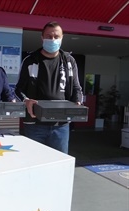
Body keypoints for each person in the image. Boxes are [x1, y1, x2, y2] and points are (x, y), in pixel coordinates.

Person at [15, 21, 83, 155]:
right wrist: (26, 100)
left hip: (61, 125)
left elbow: (77, 87)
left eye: (56, 37)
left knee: (59, 164)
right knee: (33, 162)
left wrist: (78, 102)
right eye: (49, 36)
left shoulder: (69, 61)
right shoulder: (30, 60)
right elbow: (18, 89)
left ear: (62, 38)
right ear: (42, 38)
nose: (52, 40)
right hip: (34, 125)